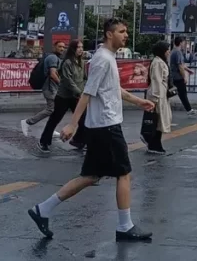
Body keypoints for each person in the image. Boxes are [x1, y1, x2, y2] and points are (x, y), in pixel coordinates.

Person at [27, 18, 157, 242]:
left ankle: (43, 209)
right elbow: (88, 92)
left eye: (126, 31)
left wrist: (137, 101)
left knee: (90, 176)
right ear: (109, 34)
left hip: (102, 126)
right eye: (122, 31)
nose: (126, 35)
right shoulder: (102, 60)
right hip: (106, 126)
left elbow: (113, 89)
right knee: (124, 173)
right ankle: (125, 226)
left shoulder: (107, 58)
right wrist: (73, 123)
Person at [39, 40, 88, 152]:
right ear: (73, 49)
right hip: (64, 97)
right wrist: (79, 92)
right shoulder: (67, 63)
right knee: (55, 119)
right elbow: (67, 80)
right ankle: (44, 142)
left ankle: (78, 140)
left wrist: (84, 90)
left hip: (77, 96)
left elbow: (85, 78)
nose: (81, 49)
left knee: (83, 120)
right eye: (78, 47)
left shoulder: (82, 62)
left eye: (82, 47)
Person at [21, 41, 65, 137]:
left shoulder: (55, 57)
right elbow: (53, 74)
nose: (62, 49)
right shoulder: (52, 58)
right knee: (51, 109)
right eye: (59, 46)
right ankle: (28, 122)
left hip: (53, 88)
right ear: (54, 47)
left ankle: (50, 129)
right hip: (50, 89)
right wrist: (62, 85)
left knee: (56, 110)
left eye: (63, 47)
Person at [143, 40, 171, 154]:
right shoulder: (158, 62)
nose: (169, 52)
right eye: (167, 50)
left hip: (161, 95)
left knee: (159, 121)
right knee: (157, 121)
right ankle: (154, 144)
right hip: (157, 95)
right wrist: (156, 97)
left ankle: (155, 143)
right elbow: (156, 80)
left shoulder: (160, 61)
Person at [169, 36, 197, 116]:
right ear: (181, 42)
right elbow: (180, 66)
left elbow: (182, 64)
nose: (185, 44)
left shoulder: (174, 51)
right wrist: (185, 77)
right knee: (182, 93)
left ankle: (189, 109)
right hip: (178, 76)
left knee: (177, 93)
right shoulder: (177, 52)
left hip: (174, 76)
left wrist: (188, 70)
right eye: (184, 42)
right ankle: (189, 110)